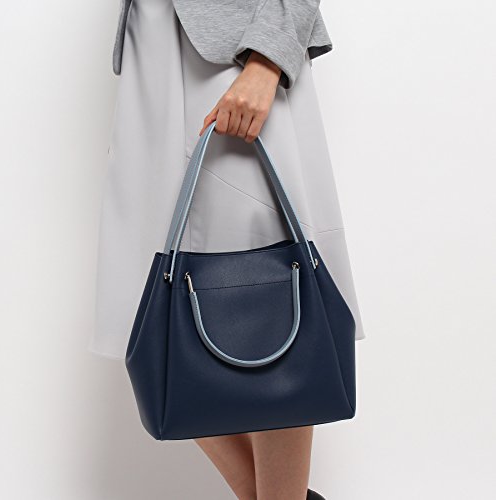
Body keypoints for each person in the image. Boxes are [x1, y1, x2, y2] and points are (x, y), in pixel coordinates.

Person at [90, 1, 365, 498]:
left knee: (274, 305)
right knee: (154, 321)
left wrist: (267, 60)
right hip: (152, 55)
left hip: (239, 56)